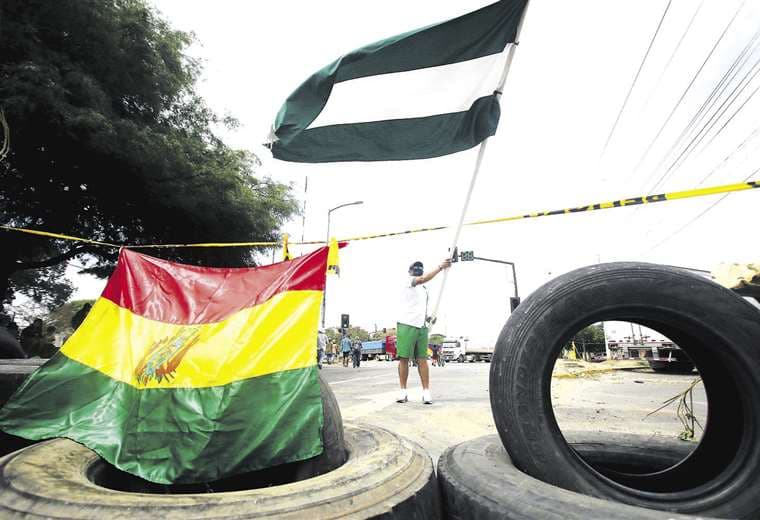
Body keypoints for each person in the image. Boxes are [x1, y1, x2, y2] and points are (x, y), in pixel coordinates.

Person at [396, 258, 451, 404]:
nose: (418, 270)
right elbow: (422, 279)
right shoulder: (409, 281)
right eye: (415, 268)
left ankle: (426, 392)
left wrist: (428, 318)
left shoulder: (424, 289)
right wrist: (440, 267)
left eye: (420, 268)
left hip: (421, 326)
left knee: (422, 359)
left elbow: (419, 306)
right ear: (410, 271)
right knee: (404, 359)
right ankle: (403, 391)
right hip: (406, 324)